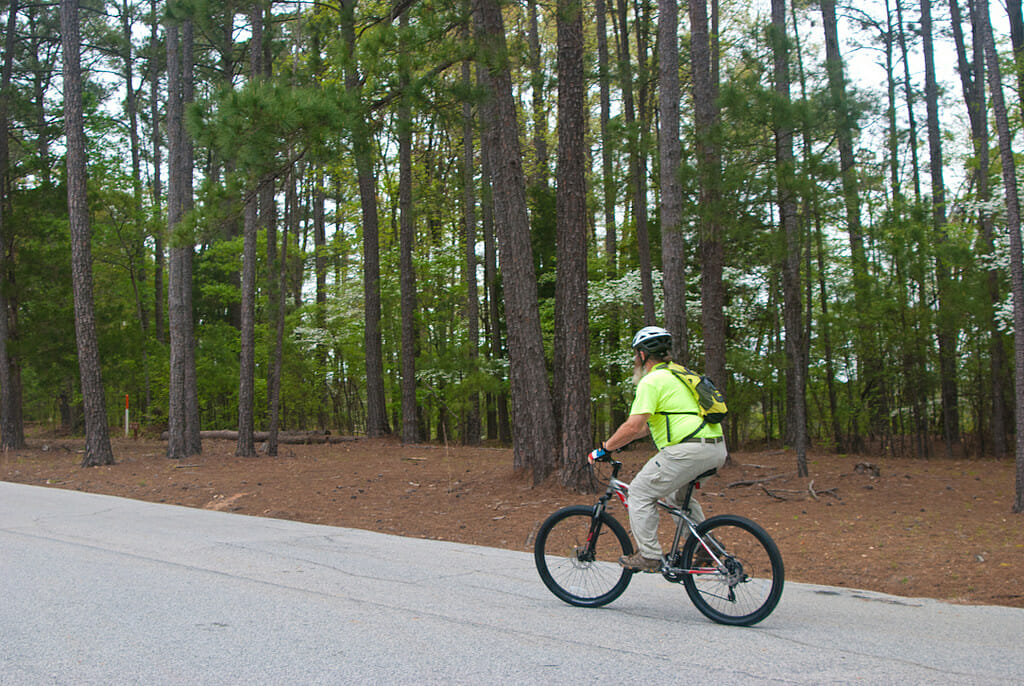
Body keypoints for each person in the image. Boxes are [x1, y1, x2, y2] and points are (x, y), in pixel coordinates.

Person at [587, 326, 727, 573]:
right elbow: (644, 429)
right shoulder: (680, 375)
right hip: (715, 448)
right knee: (676, 498)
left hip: (687, 451)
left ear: (641, 355)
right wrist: (618, 443)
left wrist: (603, 449)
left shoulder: (651, 381)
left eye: (635, 355)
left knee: (640, 493)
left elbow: (633, 426)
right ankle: (706, 547)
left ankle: (649, 556)